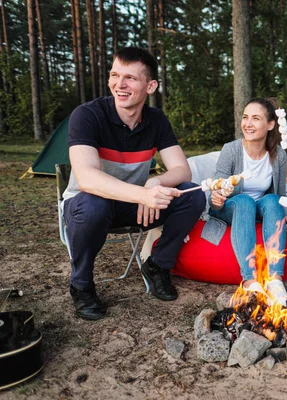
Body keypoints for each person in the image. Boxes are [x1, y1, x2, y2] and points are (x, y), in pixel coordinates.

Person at [63, 47, 205, 320]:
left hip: (135, 204)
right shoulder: (87, 115)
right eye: (115, 75)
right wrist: (141, 194)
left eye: (130, 78)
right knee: (94, 204)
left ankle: (158, 264)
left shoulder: (156, 120)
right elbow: (87, 178)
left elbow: (182, 170)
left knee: (192, 195)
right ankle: (81, 284)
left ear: (150, 86)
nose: (120, 84)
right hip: (87, 204)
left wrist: (154, 182)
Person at [208, 98, 287, 306]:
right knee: (245, 201)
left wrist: (284, 213)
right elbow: (216, 187)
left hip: (258, 208)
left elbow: (278, 194)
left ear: (270, 125)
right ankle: (250, 280)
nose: (248, 123)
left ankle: (275, 279)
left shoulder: (279, 155)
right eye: (245, 117)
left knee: (274, 200)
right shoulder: (231, 150)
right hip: (230, 207)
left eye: (255, 118)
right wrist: (216, 199)